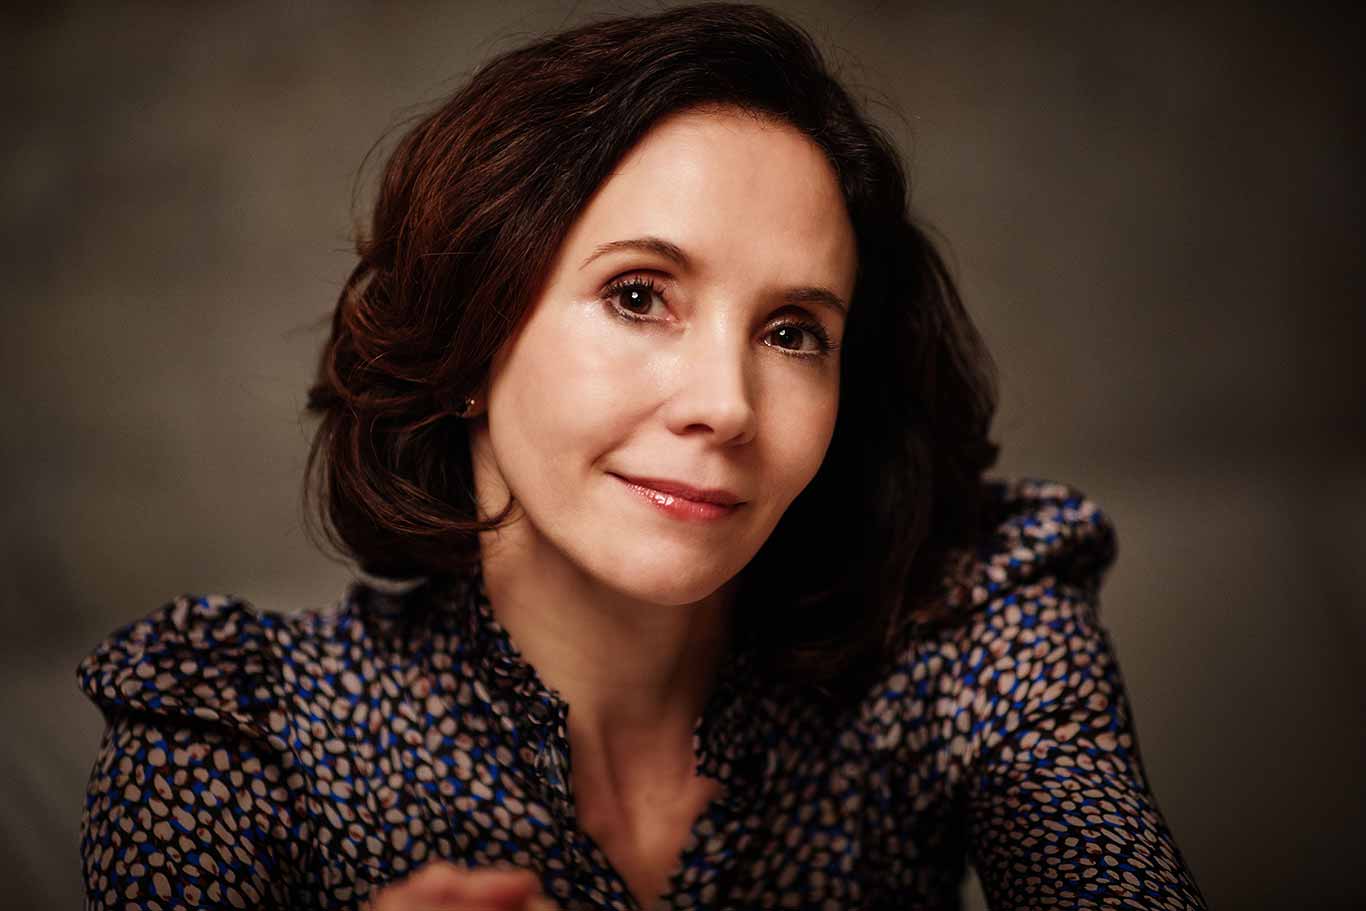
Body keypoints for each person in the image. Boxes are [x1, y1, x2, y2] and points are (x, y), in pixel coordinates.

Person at [76, 3, 1208, 909]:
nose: (725, 405)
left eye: (792, 332)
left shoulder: (969, 627)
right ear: (470, 338)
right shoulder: (234, 737)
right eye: (637, 294)